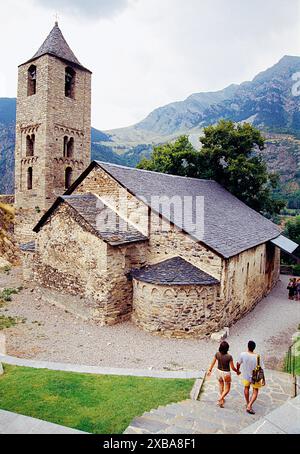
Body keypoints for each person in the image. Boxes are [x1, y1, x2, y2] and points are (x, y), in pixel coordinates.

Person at [207, 341, 240, 408]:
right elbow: (233, 367)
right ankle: (220, 398)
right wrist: (237, 371)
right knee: (227, 388)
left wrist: (209, 370)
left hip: (218, 372)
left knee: (221, 385)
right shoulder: (229, 357)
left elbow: (213, 363)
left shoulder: (217, 354)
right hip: (226, 373)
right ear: (227, 348)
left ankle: (222, 400)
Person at [237, 341, 265, 415]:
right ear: (254, 348)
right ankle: (249, 405)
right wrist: (263, 379)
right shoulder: (258, 356)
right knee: (255, 391)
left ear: (248, 346)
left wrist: (238, 370)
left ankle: (247, 403)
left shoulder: (243, 354)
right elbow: (262, 368)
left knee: (246, 388)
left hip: (246, 376)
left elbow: (238, 363)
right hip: (255, 377)